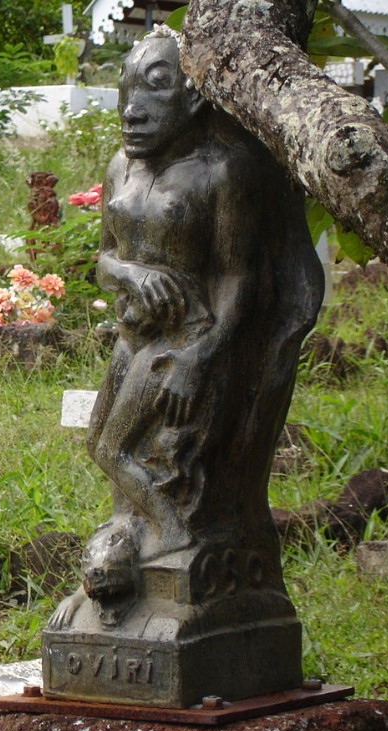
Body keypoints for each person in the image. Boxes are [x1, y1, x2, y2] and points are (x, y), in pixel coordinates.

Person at [50, 28, 323, 628]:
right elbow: (103, 261)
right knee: (103, 448)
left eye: (156, 87)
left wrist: (200, 360)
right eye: (127, 87)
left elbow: (240, 282)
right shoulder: (120, 166)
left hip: (185, 342)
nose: (132, 108)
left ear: (195, 96)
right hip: (132, 337)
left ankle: (175, 543)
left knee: (113, 448)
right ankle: (140, 545)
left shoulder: (224, 171)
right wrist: (131, 273)